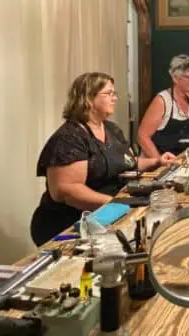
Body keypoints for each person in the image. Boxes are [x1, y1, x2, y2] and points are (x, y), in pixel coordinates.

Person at [30, 73, 177, 246]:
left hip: (106, 216)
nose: (114, 98)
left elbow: (125, 162)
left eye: (114, 94)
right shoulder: (70, 137)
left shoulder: (111, 129)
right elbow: (66, 190)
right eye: (108, 94)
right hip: (67, 225)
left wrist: (157, 161)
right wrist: (114, 203)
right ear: (89, 98)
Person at [137, 55, 189, 158]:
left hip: (186, 164)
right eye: (188, 77)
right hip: (162, 166)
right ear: (175, 78)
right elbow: (142, 137)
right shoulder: (163, 101)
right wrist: (160, 162)